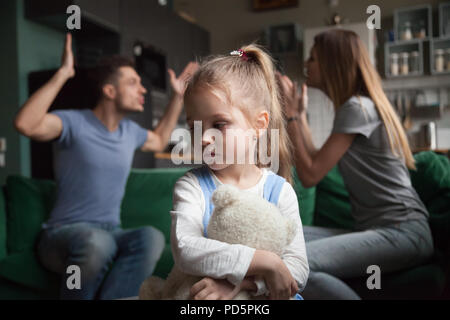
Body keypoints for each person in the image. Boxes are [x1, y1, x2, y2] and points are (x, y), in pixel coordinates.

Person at [13, 33, 199, 300]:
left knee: (150, 237)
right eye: (133, 83)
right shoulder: (73, 123)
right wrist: (64, 73)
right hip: (61, 235)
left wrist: (178, 97)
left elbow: (159, 138)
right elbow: (26, 124)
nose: (143, 89)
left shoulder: (129, 131)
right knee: (96, 243)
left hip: (111, 232)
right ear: (110, 91)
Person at [278, 29, 433, 299]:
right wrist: (300, 116)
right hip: (379, 229)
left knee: (297, 266)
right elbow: (317, 157)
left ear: (332, 64)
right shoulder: (355, 107)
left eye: (313, 59)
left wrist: (289, 116)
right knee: (281, 235)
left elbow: (311, 175)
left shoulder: (357, 108)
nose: (306, 64)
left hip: (403, 232)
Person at [169, 45, 309, 300]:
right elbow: (186, 248)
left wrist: (244, 286)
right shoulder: (191, 186)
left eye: (219, 124)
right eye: (194, 127)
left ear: (259, 125)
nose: (203, 138)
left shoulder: (280, 191)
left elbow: (298, 268)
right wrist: (266, 262)